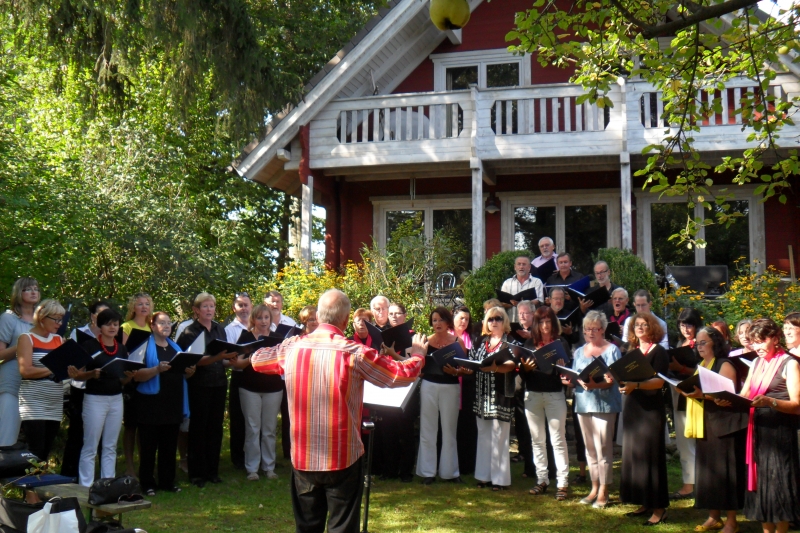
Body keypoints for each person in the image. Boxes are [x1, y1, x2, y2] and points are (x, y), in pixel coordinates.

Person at [247, 288, 425, 533]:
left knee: (307, 527)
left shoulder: (292, 349)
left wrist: (281, 342)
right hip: (342, 456)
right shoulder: (355, 352)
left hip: (304, 456)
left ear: (319, 316)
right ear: (344, 320)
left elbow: (257, 359)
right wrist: (417, 355)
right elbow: (401, 374)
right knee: (342, 528)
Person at [716, 318, 800, 532]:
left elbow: (797, 405)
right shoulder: (756, 363)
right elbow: (744, 395)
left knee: (778, 484)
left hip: (780, 434)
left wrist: (770, 401)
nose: (757, 347)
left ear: (774, 338)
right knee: (761, 483)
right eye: (753, 342)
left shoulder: (790, 364)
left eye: (761, 342)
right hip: (757, 433)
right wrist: (727, 399)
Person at [681, 326, 747, 533]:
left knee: (726, 472)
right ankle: (713, 517)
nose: (699, 346)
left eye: (703, 342)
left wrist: (701, 395)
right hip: (706, 423)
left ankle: (731, 521)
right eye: (697, 343)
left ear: (715, 343)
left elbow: (728, 396)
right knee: (708, 473)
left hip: (725, 426)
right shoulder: (701, 364)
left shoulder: (724, 363)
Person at [69, 308, 136, 487]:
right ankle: (86, 486)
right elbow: (77, 375)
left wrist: (129, 376)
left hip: (116, 398)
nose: (112, 327)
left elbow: (122, 380)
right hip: (94, 398)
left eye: (115, 324)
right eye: (108, 324)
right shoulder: (90, 346)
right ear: (100, 326)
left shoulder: (121, 348)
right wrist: (91, 374)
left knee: (110, 445)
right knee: (90, 445)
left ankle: (108, 485)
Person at [176, 292, 237, 488]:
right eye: (205, 307)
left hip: (219, 383)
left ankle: (213, 471)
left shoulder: (220, 329)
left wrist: (233, 359)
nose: (209, 310)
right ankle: (196, 473)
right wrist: (217, 358)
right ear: (196, 310)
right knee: (198, 429)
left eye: (211, 306)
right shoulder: (190, 332)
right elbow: (193, 360)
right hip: (199, 384)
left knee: (215, 429)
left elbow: (223, 358)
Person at [134, 312, 194, 495]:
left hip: (173, 402)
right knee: (149, 445)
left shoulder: (176, 347)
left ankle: (167, 482)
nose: (167, 326)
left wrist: (190, 371)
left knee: (169, 445)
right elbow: (135, 375)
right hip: (150, 403)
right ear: (152, 326)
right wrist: (156, 369)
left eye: (169, 323)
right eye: (162, 323)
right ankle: (147, 483)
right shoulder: (143, 345)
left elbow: (184, 375)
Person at [619, 312, 670, 526]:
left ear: (653, 328)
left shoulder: (659, 352)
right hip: (633, 408)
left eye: (644, 324)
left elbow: (660, 383)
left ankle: (659, 508)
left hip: (650, 411)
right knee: (636, 457)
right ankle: (644, 501)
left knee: (652, 457)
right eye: (636, 325)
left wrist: (637, 385)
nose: (640, 328)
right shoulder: (631, 351)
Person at [571, 310, 621, 508]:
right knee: (590, 448)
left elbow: (613, 380)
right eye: (586, 329)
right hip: (583, 403)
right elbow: (577, 376)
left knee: (603, 448)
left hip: (605, 404)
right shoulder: (578, 352)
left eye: (594, 329)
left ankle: (604, 490)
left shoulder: (612, 351)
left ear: (603, 330)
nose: (590, 333)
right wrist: (570, 380)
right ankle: (593, 486)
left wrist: (596, 384)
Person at [521, 305, 570, 501]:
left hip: (554, 395)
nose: (545, 325)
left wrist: (563, 368)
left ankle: (562, 483)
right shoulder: (529, 343)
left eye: (548, 321)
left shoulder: (561, 343)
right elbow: (524, 374)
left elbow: (568, 373)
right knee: (537, 440)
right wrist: (524, 367)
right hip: (532, 395)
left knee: (558, 440)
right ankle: (542, 479)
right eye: (541, 322)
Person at [230, 304, 283, 481]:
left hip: (273, 389)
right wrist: (253, 358)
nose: (263, 321)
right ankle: (252, 468)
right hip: (249, 388)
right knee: (252, 428)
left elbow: (282, 361)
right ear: (254, 319)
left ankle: (269, 467)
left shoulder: (277, 338)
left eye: (266, 317)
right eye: (259, 318)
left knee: (269, 429)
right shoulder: (245, 337)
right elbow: (236, 363)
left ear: (270, 319)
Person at [416, 307, 467, 484]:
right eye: (434, 320)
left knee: (449, 430)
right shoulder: (425, 341)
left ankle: (450, 472)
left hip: (450, 387)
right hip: (429, 386)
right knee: (428, 429)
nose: (437, 323)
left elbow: (466, 369)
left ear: (447, 322)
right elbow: (417, 366)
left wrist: (456, 371)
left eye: (440, 320)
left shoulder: (458, 341)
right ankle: (427, 472)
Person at [470, 306, 517, 491]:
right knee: (483, 435)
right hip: (482, 394)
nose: (494, 322)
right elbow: (473, 361)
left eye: (498, 318)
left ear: (504, 321)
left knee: (499, 437)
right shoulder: (481, 341)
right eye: (490, 319)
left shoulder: (510, 341)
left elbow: (513, 364)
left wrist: (496, 368)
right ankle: (483, 476)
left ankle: (500, 480)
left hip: (500, 395)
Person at [62, 300, 110, 477]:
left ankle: (98, 477)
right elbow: (71, 360)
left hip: (102, 388)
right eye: (102, 315)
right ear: (92, 316)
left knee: (101, 437)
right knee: (77, 433)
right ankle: (69, 475)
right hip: (80, 388)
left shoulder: (112, 335)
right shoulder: (79, 333)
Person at [16, 299, 66, 463]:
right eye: (56, 319)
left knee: (45, 451)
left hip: (54, 401)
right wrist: (52, 368)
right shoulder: (26, 338)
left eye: (61, 319)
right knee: (35, 452)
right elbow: (26, 370)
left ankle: (41, 488)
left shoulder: (59, 341)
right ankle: (28, 488)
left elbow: (65, 369)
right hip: (33, 402)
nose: (59, 323)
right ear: (42, 317)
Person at [374, 301, 417, 482]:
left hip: (406, 388)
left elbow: (412, 362)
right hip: (387, 387)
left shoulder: (413, 336)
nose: (394, 316)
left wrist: (392, 354)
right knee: (387, 430)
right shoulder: (382, 337)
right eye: (391, 314)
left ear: (405, 316)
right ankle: (389, 469)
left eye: (398, 313)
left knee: (406, 430)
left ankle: (405, 471)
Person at [0, 277, 39, 447]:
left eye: (36, 289)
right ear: (18, 293)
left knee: (35, 439)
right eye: (28, 289)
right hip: (12, 382)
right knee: (7, 435)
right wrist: (23, 345)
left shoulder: (43, 320)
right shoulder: (9, 318)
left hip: (36, 384)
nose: (33, 292)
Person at [669, 307, 702, 500]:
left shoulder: (702, 343)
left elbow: (703, 371)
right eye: (682, 325)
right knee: (683, 441)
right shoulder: (680, 343)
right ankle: (689, 483)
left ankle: (696, 484)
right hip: (679, 394)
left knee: (695, 441)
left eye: (689, 324)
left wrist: (680, 367)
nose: (686, 329)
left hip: (697, 396)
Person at [121, 293, 153, 477]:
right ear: (133, 307)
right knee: (131, 426)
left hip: (149, 378)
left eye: (147, 304)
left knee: (145, 425)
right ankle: (130, 466)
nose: (143, 307)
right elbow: (125, 353)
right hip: (132, 380)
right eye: (139, 304)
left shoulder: (152, 327)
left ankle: (145, 465)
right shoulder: (126, 327)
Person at [225, 292, 253, 471]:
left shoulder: (257, 325)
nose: (244, 308)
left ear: (251, 306)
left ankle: (253, 455)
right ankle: (237, 457)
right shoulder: (229, 330)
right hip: (239, 375)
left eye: (246, 305)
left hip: (258, 375)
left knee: (254, 420)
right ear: (234, 308)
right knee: (238, 418)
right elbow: (226, 358)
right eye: (240, 305)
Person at [511, 301, 536, 480]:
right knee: (521, 422)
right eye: (520, 313)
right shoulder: (514, 334)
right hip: (520, 380)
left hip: (535, 382)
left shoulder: (537, 333)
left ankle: (538, 465)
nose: (522, 316)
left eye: (526, 313)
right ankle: (527, 463)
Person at [453, 305, 478, 477]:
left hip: (468, 387)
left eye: (467, 319)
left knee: (467, 427)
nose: (464, 322)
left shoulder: (473, 339)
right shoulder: (447, 337)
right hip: (451, 384)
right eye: (461, 318)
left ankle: (467, 465)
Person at [500, 255, 544, 322]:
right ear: (515, 267)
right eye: (519, 264)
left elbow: (538, 301)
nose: (521, 267)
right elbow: (502, 303)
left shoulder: (537, 282)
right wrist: (511, 303)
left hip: (531, 323)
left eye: (524, 264)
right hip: (511, 321)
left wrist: (520, 303)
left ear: (529, 267)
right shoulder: (507, 283)